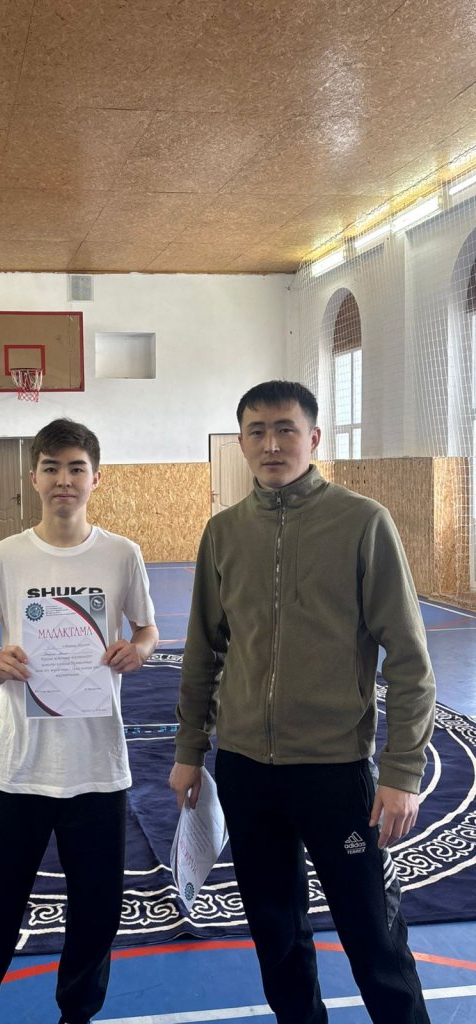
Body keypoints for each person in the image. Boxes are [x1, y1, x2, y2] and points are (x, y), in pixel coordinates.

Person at [169, 380, 435, 1024]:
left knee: (373, 934)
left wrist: (402, 771)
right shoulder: (224, 532)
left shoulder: (363, 522)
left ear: (313, 438)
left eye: (285, 429)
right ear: (241, 443)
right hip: (244, 769)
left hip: (333, 770)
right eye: (257, 431)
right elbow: (203, 650)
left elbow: (409, 657)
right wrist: (189, 750)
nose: (271, 444)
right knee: (277, 933)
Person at [0, 417, 159, 1024]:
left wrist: (138, 650)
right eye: (52, 467)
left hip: (97, 766)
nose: (64, 479)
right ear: (33, 477)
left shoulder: (122, 555)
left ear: (95, 478)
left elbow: (147, 629)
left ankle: (77, 1014)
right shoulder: (5, 557)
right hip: (21, 766)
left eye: (76, 468)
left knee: (97, 910)